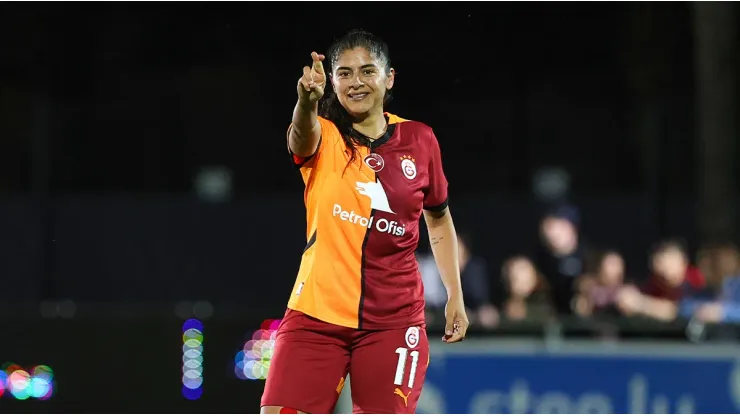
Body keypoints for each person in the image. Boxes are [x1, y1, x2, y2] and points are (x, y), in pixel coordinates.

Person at [260, 30, 469, 414]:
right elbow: (301, 135)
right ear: (332, 82)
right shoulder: (324, 135)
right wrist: (306, 103)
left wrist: (455, 294)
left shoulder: (420, 140)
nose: (356, 82)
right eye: (344, 73)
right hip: (315, 314)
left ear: (389, 78)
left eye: (367, 71)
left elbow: (438, 221)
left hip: (393, 321)